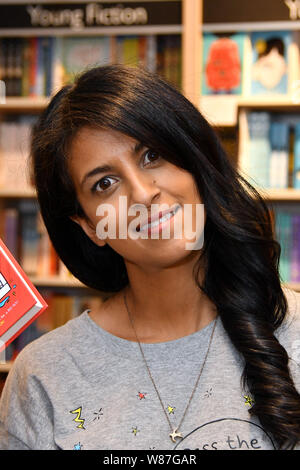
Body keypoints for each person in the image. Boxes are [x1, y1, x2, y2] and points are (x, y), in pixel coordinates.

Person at [0, 64, 299, 450]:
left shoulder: (292, 330)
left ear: (195, 162)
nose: (142, 194)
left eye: (152, 155)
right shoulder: (44, 374)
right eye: (104, 184)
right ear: (89, 226)